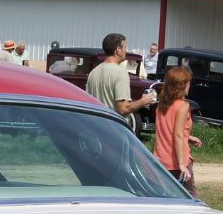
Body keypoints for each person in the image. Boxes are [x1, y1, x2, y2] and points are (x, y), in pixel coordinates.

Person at [153, 65, 202, 196]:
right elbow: (178, 135)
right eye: (188, 83)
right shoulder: (183, 106)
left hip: (161, 160)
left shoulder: (161, 105)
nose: (189, 86)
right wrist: (182, 164)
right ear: (182, 85)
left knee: (166, 199)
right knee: (190, 199)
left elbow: (167, 129)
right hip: (177, 161)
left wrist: (189, 137)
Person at [86, 33, 158, 117]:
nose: (126, 51)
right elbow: (123, 108)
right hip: (113, 125)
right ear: (118, 50)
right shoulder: (120, 72)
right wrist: (143, 101)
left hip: (96, 124)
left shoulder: (93, 72)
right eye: (125, 47)